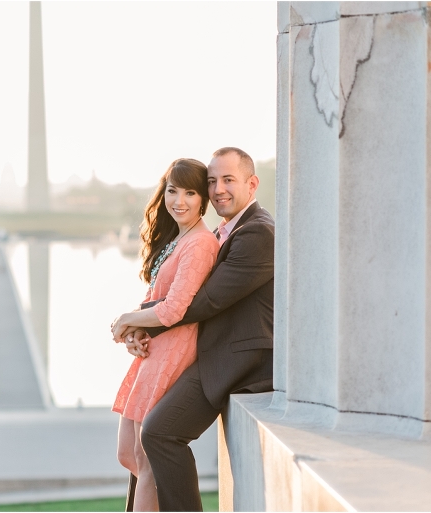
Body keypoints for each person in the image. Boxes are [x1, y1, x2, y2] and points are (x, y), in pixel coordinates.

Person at [115, 147, 275, 511]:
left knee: (159, 433)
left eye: (229, 180)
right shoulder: (225, 230)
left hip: (236, 358)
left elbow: (204, 302)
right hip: (209, 347)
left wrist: (136, 319)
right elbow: (189, 299)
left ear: (252, 183)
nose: (219, 189)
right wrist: (142, 327)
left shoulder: (259, 233)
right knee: (141, 446)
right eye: (213, 181)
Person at [110, 158, 219, 512]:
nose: (180, 201)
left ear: (203, 198)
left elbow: (174, 309)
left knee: (146, 459)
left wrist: (126, 318)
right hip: (154, 351)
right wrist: (135, 331)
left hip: (174, 353)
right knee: (129, 452)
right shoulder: (179, 238)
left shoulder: (200, 243)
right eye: (173, 191)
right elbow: (155, 301)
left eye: (190, 192)